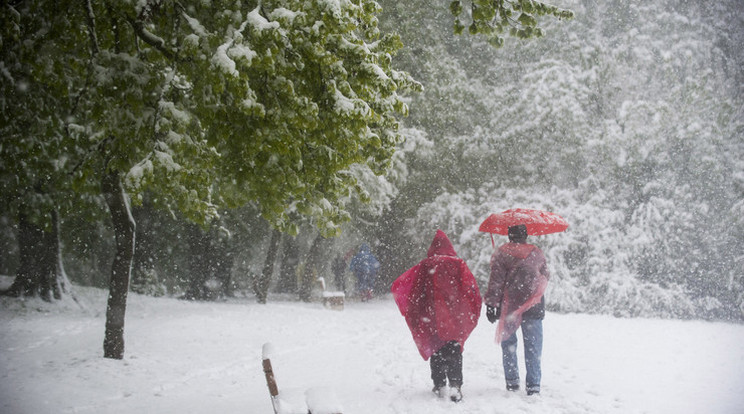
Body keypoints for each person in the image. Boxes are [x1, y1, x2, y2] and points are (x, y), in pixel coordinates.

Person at [391, 230, 482, 402]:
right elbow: (470, 289)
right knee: (454, 349)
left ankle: (440, 384)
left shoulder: (426, 265)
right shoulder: (458, 264)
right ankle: (455, 384)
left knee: (436, 348)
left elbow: (416, 291)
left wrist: (418, 310)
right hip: (455, 315)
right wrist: (468, 308)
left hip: (432, 315)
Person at [484, 224, 550, 396]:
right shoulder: (537, 252)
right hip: (534, 306)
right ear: (526, 235)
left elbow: (496, 282)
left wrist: (492, 304)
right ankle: (533, 385)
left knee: (509, 345)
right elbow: (546, 275)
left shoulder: (502, 253)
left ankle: (512, 382)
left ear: (509, 236)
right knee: (533, 347)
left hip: (510, 306)